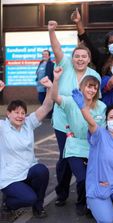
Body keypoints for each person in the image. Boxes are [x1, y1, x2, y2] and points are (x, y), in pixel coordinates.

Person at [48, 20, 101, 207]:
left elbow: (96, 101)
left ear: (88, 59)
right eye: (77, 56)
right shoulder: (65, 66)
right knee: (65, 158)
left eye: (83, 57)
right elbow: (56, 49)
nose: (79, 59)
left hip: (84, 123)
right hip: (63, 122)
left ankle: (85, 194)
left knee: (84, 158)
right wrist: (52, 31)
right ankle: (61, 193)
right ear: (72, 58)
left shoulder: (94, 76)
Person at [47, 66, 106, 215]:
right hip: (74, 146)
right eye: (89, 86)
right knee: (82, 178)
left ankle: (90, 202)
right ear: (81, 87)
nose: (92, 90)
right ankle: (81, 203)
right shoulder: (72, 101)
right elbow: (55, 97)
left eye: (95, 88)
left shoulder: (102, 107)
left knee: (93, 179)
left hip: (93, 147)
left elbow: (101, 131)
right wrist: (56, 79)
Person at [72, 91, 113, 222]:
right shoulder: (99, 134)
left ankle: (111, 211)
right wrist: (82, 107)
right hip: (98, 185)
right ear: (106, 120)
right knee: (108, 221)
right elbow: (91, 122)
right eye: (112, 117)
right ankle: (95, 207)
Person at [0, 78, 52, 218]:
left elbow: (46, 107)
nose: (20, 116)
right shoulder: (2, 127)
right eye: (16, 112)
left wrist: (49, 88)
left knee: (41, 170)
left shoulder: (28, 124)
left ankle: (38, 207)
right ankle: (8, 205)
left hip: (28, 170)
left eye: (23, 113)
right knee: (29, 198)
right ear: (8, 114)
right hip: (10, 176)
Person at [71, 8, 113, 74]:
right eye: (111, 42)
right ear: (107, 45)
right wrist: (78, 22)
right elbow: (85, 39)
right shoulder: (100, 58)